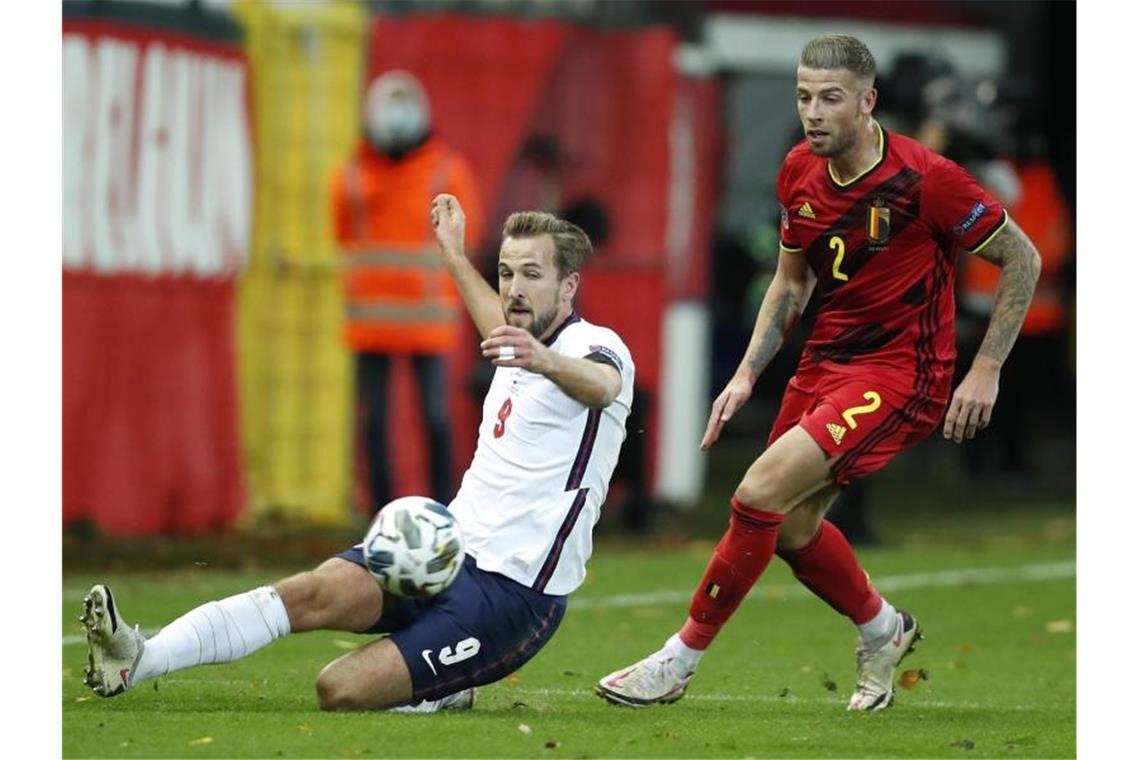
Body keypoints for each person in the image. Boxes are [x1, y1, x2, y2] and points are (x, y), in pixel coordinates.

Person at [595, 34, 1040, 712]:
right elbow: (790, 283)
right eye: (804, 97)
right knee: (792, 530)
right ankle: (883, 628)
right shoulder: (799, 171)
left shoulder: (928, 181)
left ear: (868, 103)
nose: (813, 112)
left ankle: (677, 660)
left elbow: (1024, 257)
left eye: (830, 98)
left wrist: (986, 370)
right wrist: (746, 374)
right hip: (825, 361)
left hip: (902, 373)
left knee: (758, 491)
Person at [81, 195, 635, 713]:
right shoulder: (518, 339)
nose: (514, 288)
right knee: (310, 592)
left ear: (568, 288)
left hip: (514, 594)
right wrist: (453, 255)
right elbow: (504, 323)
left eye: (532, 275)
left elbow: (602, 386)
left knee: (338, 688)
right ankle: (137, 656)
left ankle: (444, 687)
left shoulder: (593, 348)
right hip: (445, 551)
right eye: (507, 273)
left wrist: (545, 360)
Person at [331, 69, 483, 512]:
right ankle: (382, 517)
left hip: (426, 326)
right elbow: (343, 234)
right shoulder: (352, 176)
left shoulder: (445, 171)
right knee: (375, 423)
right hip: (372, 327)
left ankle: (446, 514)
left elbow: (464, 236)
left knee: (435, 420)